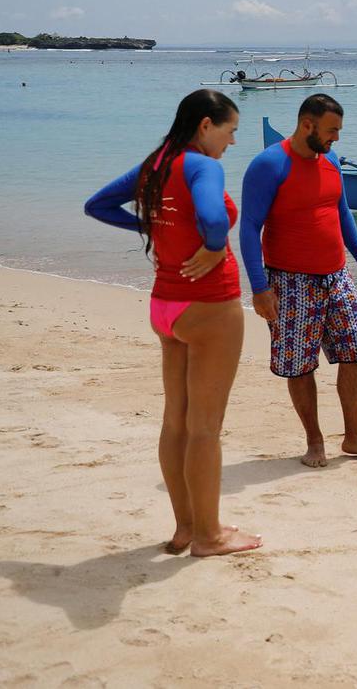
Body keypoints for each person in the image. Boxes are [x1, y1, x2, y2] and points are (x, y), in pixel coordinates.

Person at [84, 89, 262, 557]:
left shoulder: (155, 163)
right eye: (231, 130)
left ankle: (186, 527)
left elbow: (97, 205)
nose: (233, 142)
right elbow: (210, 216)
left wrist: (148, 227)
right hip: (207, 308)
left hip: (165, 306)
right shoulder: (202, 165)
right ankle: (209, 536)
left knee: (176, 423)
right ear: (206, 125)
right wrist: (212, 243)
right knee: (206, 428)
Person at [239, 94, 357, 468]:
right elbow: (248, 229)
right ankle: (315, 441)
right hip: (290, 283)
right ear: (307, 125)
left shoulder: (332, 160)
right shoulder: (269, 165)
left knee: (354, 354)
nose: (336, 138)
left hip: (335, 276)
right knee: (300, 365)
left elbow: (340, 211)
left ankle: (354, 437)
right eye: (331, 130)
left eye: (338, 130)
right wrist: (259, 288)